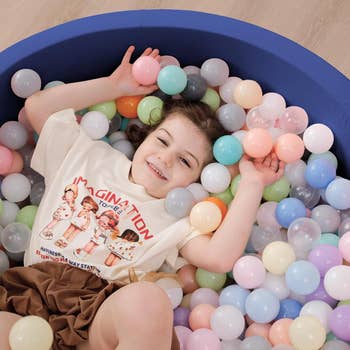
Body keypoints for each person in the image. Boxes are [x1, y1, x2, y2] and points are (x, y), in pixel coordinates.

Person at [0, 46, 285, 350]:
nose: (165, 158)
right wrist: (111, 86)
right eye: (162, 141)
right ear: (144, 136)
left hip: (99, 314)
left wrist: (253, 183)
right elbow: (39, 107)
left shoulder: (178, 216)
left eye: (185, 162)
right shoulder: (88, 154)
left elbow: (219, 257)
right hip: (28, 295)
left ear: (196, 180)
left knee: (148, 300)